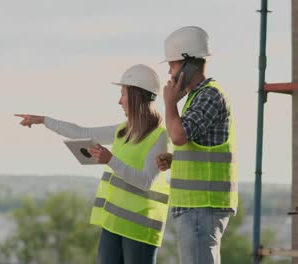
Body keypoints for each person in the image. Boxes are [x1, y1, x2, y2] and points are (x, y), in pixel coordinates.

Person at [15, 64, 169, 264]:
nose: (119, 101)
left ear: (136, 96)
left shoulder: (160, 136)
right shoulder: (123, 130)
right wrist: (43, 120)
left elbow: (146, 181)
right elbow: (83, 133)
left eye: (123, 95)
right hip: (113, 223)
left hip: (139, 228)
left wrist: (110, 160)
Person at [157, 26, 238, 264]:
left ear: (187, 64)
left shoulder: (209, 95)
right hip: (196, 207)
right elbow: (196, 145)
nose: (170, 74)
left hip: (202, 206)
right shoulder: (196, 97)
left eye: (171, 66)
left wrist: (170, 103)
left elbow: (179, 136)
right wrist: (176, 159)